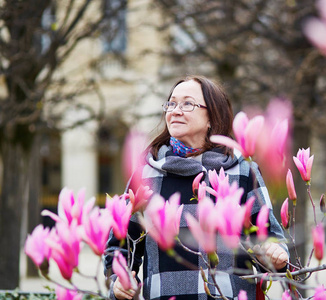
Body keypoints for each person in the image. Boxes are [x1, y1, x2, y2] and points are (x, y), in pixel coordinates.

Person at [103, 75, 289, 300]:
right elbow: (120, 245)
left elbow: (269, 237)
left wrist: (276, 255)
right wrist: (118, 283)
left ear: (212, 117)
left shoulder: (241, 170)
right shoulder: (146, 172)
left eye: (187, 104)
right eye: (171, 103)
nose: (175, 110)